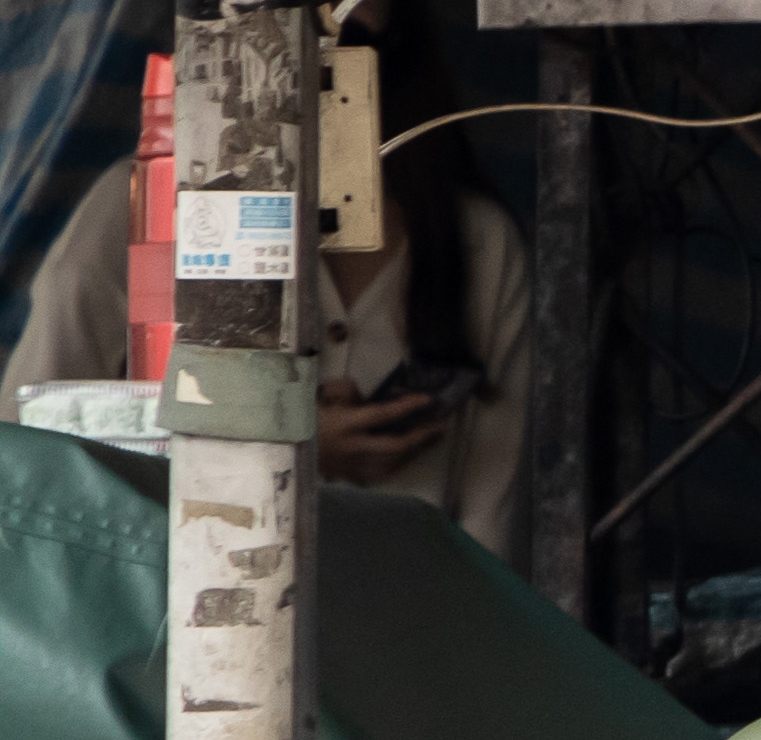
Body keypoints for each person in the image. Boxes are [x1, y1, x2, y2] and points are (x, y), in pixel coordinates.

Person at [15, 112, 533, 540]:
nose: (326, 28)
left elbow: (493, 516)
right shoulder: (145, 204)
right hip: (169, 619)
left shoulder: (479, 241)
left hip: (400, 632)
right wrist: (286, 441)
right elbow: (29, 436)